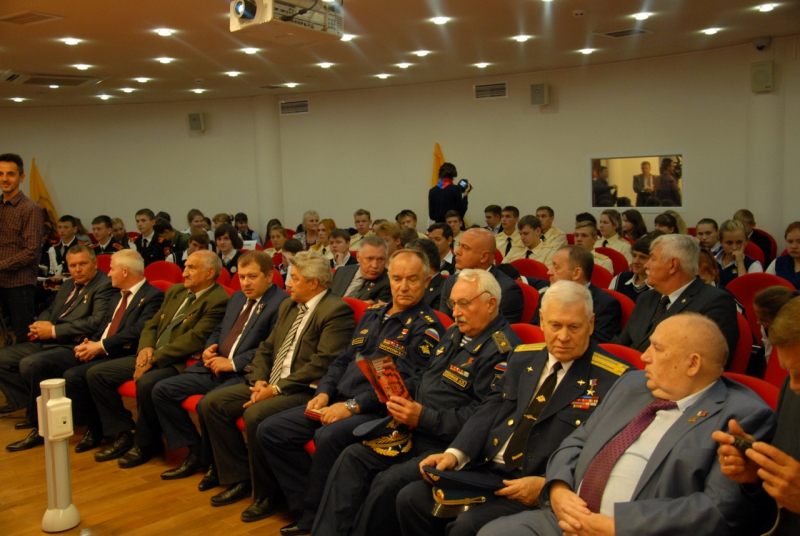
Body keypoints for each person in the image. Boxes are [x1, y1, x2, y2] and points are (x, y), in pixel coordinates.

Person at [479, 313, 776, 536]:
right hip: (567, 518)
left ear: (693, 364)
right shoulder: (633, 384)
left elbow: (719, 510)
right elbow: (576, 441)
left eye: (657, 348)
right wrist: (558, 489)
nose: (644, 356)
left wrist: (617, 527)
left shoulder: (742, 416)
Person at [397, 281, 631, 536]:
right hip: (487, 467)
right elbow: (490, 409)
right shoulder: (522, 356)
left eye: (574, 327)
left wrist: (549, 485)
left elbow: (602, 453)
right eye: (555, 325)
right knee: (411, 498)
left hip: (536, 482)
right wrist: (456, 453)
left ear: (591, 323)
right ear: (542, 321)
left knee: (467, 525)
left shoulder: (614, 379)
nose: (563, 337)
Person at [313, 269, 522, 536]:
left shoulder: (504, 352)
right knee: (352, 457)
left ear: (491, 303)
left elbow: (484, 418)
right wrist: (395, 393)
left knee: (388, 483)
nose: (455, 313)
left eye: (463, 304)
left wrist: (422, 417)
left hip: (447, 445)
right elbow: (424, 377)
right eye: (453, 304)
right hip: (414, 430)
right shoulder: (454, 333)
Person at [259, 249, 444, 532]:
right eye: (397, 278)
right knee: (271, 431)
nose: (403, 286)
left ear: (426, 281)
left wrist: (351, 406)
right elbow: (343, 359)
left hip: (376, 411)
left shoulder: (427, 328)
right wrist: (324, 391)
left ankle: (313, 516)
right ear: (389, 279)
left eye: (413, 279)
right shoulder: (373, 314)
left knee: (328, 436)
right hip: (338, 398)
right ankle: (308, 502)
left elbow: (402, 385)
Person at [200, 251, 354, 521]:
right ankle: (239, 477)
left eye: (294, 278)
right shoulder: (289, 305)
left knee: (255, 414)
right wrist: (259, 379)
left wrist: (276, 388)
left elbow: (322, 363)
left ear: (313, 283)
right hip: (270, 381)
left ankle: (268, 494)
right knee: (212, 404)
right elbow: (267, 347)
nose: (288, 283)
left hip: (303, 389)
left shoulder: (336, 311)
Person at [151, 251, 289, 481]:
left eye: (252, 276)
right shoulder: (237, 297)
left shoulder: (281, 303)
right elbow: (220, 328)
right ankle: (197, 452)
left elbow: (270, 347)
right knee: (162, 390)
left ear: (269, 276)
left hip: (242, 373)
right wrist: (210, 347)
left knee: (208, 405)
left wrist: (233, 363)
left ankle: (224, 466)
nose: (246, 283)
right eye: (242, 277)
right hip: (214, 366)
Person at [86, 250, 230, 467]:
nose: (184, 273)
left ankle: (146, 444)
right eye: (185, 267)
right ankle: (124, 432)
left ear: (210, 273)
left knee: (147, 383)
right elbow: (152, 324)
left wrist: (153, 359)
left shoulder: (219, 300)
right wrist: (146, 348)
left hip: (178, 361)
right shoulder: (176, 291)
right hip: (151, 353)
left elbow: (194, 339)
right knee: (97, 374)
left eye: (191, 268)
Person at [1, 245, 116, 451]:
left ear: (95, 263)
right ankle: (33, 408)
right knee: (3, 359)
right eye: (73, 265)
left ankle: (40, 423)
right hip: (49, 339)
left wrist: (54, 330)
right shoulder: (69, 284)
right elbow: (51, 309)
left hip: (75, 344)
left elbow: (95, 322)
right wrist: (41, 324)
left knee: (32, 364)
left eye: (83, 264)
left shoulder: (104, 286)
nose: (77, 269)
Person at [715, 297, 800, 536]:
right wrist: (756, 477)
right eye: (788, 372)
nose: (794, 385)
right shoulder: (792, 391)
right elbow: (773, 512)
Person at [612, 234, 739, 362]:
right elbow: (621, 343)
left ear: (673, 265)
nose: (646, 265)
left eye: (653, 259)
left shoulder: (715, 302)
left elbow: (708, 361)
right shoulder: (647, 297)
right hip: (628, 370)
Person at [532, 246, 621, 345]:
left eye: (556, 268)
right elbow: (534, 333)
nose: (549, 272)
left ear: (576, 273)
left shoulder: (605, 305)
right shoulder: (546, 297)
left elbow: (599, 345)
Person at [0, 153, 44, 344]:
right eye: (1, 174)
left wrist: (1, 265)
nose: (4, 178)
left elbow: (31, 251)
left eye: (10, 174)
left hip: (19, 284)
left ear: (21, 177)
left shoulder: (30, 208)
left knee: (23, 337)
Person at [439, 229, 524, 324]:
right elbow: (444, 323)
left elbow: (500, 329)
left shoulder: (506, 290)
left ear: (484, 256)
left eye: (465, 248)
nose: (457, 252)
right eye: (459, 245)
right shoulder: (451, 281)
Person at [329, 235, 392, 303]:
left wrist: (360, 306)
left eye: (380, 259)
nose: (374, 265)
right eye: (369, 259)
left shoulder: (389, 282)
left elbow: (376, 308)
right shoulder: (342, 271)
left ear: (386, 259)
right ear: (358, 257)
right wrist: (361, 304)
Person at [715, 219, 763, 288]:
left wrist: (740, 263)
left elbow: (745, 290)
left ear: (746, 241)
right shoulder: (711, 260)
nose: (734, 247)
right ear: (721, 242)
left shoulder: (754, 265)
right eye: (729, 243)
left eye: (739, 242)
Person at [753, 286, 796, 359]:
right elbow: (770, 356)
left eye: (764, 320)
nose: (758, 322)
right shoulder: (766, 328)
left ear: (782, 320)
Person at [609, 235, 653, 303]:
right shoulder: (621, 278)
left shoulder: (656, 287)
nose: (635, 261)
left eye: (642, 257)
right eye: (634, 256)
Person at [405, 237, 446, 310]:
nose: (405, 264)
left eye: (409, 260)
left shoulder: (444, 290)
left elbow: (435, 316)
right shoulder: (404, 283)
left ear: (426, 261)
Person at [766, 222, 800, 288]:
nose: (794, 246)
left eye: (799, 242)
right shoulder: (779, 262)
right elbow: (765, 285)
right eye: (790, 242)